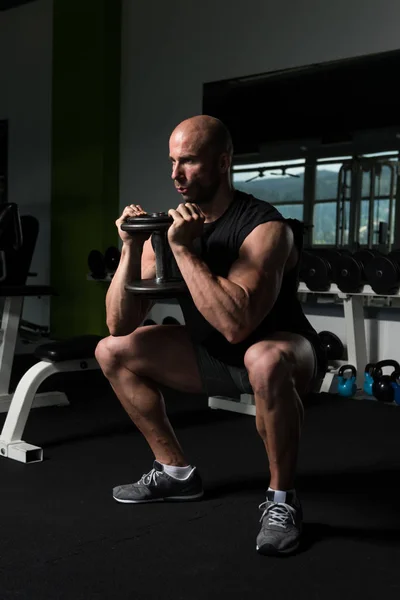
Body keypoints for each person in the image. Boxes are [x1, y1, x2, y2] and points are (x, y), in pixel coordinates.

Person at [95, 115, 327, 556]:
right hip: (215, 356)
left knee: (264, 358)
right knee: (111, 350)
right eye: (172, 162)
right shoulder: (171, 226)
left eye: (189, 162)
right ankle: (175, 473)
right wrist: (129, 246)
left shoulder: (265, 227)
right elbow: (118, 323)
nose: (175, 174)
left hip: (285, 353)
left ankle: (282, 500)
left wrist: (183, 249)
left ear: (222, 162)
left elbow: (237, 324)